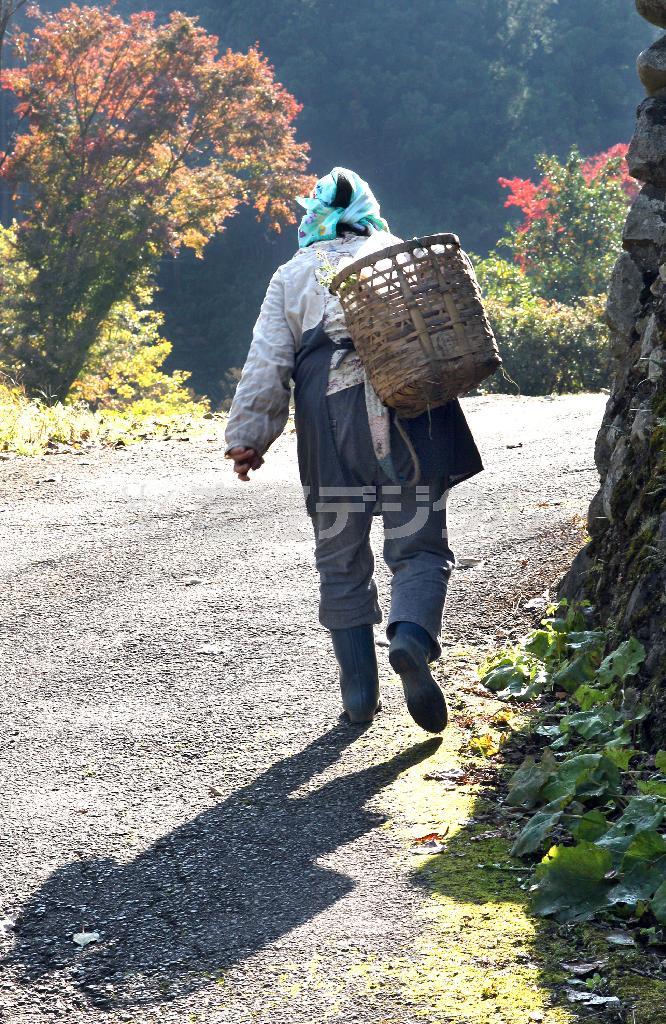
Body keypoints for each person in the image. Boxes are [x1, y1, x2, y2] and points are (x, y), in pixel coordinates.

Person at [225, 167, 483, 733]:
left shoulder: (293, 275)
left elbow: (269, 361)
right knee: (418, 545)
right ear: (367, 207)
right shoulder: (396, 254)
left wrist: (248, 438)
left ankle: (360, 695)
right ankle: (411, 638)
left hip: (330, 425)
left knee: (341, 553)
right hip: (409, 414)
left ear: (314, 215)